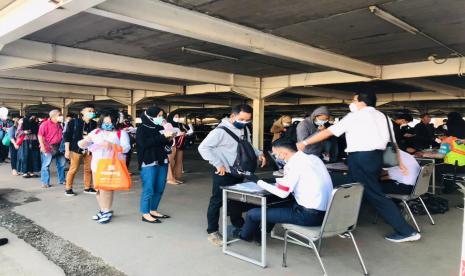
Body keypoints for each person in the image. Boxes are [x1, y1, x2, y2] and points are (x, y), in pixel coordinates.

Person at [297, 91, 420, 243]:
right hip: (375, 158)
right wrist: (400, 162)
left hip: (361, 158)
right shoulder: (384, 117)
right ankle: (344, 225)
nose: (352, 103)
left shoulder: (355, 116)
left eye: (354, 100)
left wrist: (304, 142)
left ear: (362, 102)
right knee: (355, 189)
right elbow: (393, 142)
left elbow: (329, 132)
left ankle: (406, 231)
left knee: (371, 193)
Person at [238, 138, 332, 242]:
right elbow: (300, 180)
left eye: (275, 154)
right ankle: (261, 234)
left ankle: (245, 236)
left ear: (284, 153)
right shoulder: (313, 158)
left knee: (252, 214)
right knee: (273, 205)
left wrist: (257, 181)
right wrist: (272, 180)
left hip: (309, 215)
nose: (276, 157)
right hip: (327, 213)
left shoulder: (292, 165)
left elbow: (282, 193)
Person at [198, 104, 266, 246]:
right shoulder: (220, 131)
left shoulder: (244, 128)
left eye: (248, 120)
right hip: (223, 171)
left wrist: (259, 153)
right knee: (217, 201)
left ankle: (238, 224)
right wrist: (218, 164)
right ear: (232, 116)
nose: (244, 122)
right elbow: (203, 147)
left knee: (237, 199)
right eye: (242, 119)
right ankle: (212, 231)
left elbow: (246, 144)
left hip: (239, 170)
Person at [78, 110, 131, 224]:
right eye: (104, 121)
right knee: (98, 188)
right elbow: (84, 142)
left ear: (115, 121)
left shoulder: (121, 133)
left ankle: (106, 211)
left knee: (106, 189)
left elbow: (126, 148)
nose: (107, 124)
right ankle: (103, 210)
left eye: (109, 122)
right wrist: (82, 143)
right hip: (97, 165)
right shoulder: (96, 132)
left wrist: (111, 145)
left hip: (111, 165)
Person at [137, 107, 174, 224]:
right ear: (150, 115)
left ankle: (153, 210)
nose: (161, 118)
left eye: (162, 115)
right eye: (159, 115)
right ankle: (145, 213)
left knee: (160, 188)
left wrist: (170, 138)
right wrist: (163, 137)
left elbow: (163, 142)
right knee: (149, 188)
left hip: (162, 160)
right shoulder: (142, 129)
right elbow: (144, 144)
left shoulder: (159, 127)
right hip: (148, 162)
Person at [64, 105, 98, 196]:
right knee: (73, 169)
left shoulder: (94, 124)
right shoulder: (74, 122)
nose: (92, 112)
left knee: (89, 169)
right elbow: (67, 136)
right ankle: (68, 188)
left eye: (93, 111)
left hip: (89, 149)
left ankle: (87, 187)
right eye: (89, 110)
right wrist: (67, 150)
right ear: (82, 112)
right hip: (75, 149)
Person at [38, 110, 66, 188]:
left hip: (59, 147)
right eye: (59, 115)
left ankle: (62, 180)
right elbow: (40, 136)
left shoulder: (59, 125)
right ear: (53, 116)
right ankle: (45, 182)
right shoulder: (44, 124)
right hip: (48, 147)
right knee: (46, 165)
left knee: (62, 164)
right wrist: (42, 146)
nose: (61, 116)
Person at [166, 113, 188, 185]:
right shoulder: (167, 125)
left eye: (178, 116)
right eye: (175, 116)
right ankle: (170, 178)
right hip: (171, 145)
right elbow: (167, 135)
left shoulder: (179, 125)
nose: (177, 118)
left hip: (178, 145)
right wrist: (178, 134)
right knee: (171, 161)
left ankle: (175, 177)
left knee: (178, 161)